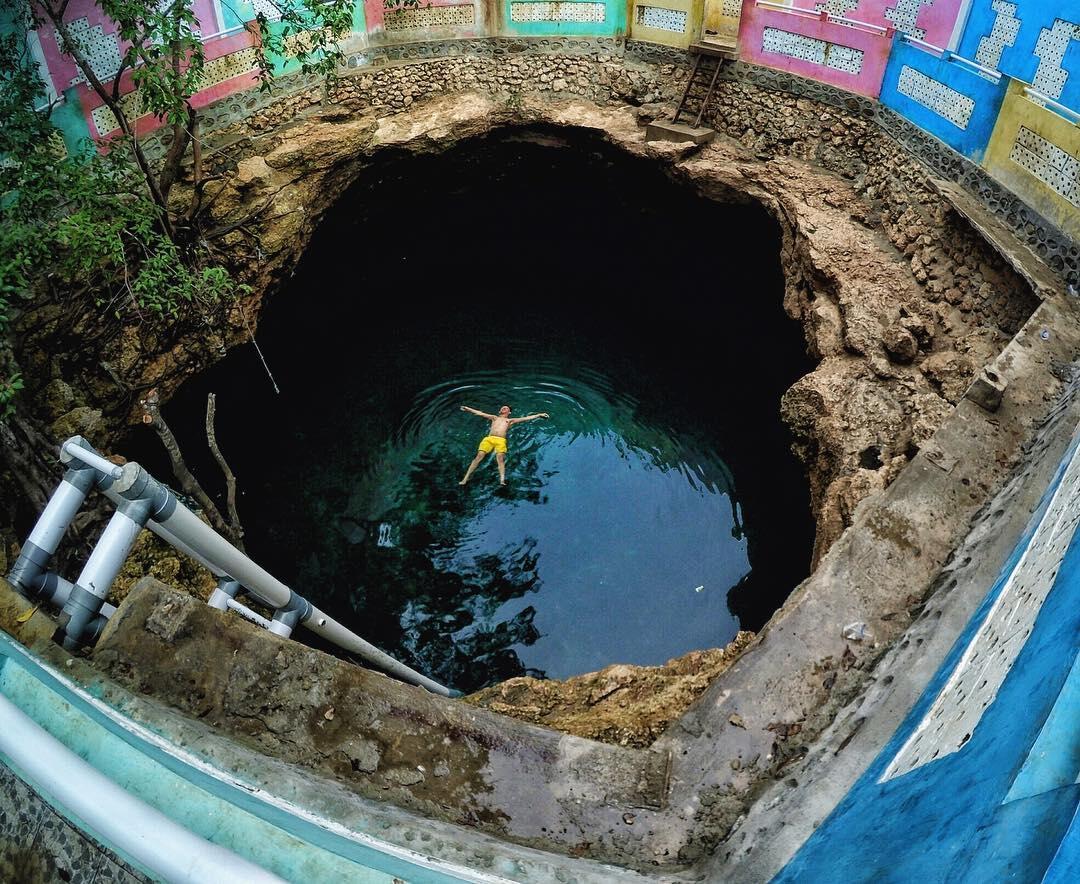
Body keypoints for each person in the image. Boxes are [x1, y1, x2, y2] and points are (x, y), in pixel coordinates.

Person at [458, 404, 549, 486]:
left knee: (500, 459)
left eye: (506, 408)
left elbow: (525, 418)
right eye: (502, 408)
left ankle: (502, 480)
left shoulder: (510, 421)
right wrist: (467, 409)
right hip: (489, 439)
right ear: (499, 411)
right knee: (479, 457)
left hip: (501, 440)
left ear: (509, 412)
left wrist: (539, 415)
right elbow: (480, 413)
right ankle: (465, 478)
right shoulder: (494, 418)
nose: (504, 408)